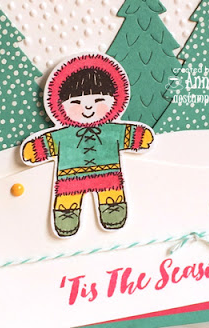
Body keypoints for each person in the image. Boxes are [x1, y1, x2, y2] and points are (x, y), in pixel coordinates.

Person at [21, 54, 154, 237]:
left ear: (114, 101)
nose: (88, 108)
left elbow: (129, 134)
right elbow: (47, 143)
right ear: (60, 105)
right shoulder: (63, 135)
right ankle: (67, 216)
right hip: (70, 181)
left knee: (112, 199)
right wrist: (35, 149)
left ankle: (113, 210)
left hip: (108, 178)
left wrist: (140, 137)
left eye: (98, 101)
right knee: (67, 203)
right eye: (76, 103)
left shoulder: (112, 131)